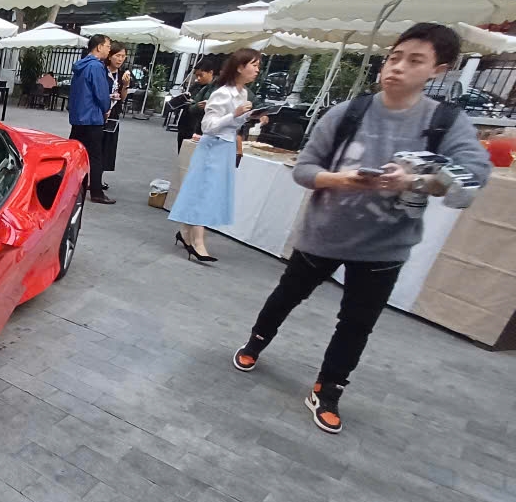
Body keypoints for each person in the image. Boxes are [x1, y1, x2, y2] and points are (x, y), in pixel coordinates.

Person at [232, 23, 492, 434]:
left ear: (438, 70)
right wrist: (343, 180)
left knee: (356, 323)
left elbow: (475, 173)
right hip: (324, 234)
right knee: (286, 296)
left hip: (385, 246)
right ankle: (256, 342)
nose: (398, 67)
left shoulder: (445, 121)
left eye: (415, 61)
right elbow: (304, 169)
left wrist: (415, 181)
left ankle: (329, 388)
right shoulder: (349, 113)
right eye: (394, 57)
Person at [167, 48, 261, 262]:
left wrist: (247, 116)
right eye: (254, 65)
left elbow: (234, 123)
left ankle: (185, 232)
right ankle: (197, 241)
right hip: (213, 146)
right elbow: (208, 126)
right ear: (240, 67)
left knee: (209, 192)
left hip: (226, 146)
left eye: (258, 66)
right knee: (204, 192)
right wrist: (234, 115)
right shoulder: (222, 93)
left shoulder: (243, 93)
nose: (257, 70)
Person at [69, 34, 114, 205]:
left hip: (78, 117)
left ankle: (67, 185)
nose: (109, 50)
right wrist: (106, 107)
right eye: (108, 46)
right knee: (95, 156)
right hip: (92, 117)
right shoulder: (96, 67)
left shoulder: (81, 65)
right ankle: (96, 191)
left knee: (75, 153)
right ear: (99, 47)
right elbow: (101, 93)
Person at [101, 44, 130, 190]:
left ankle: (98, 178)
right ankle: (89, 177)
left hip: (113, 114)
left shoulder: (123, 74)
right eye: (117, 55)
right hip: (100, 112)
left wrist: (125, 85)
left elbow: (123, 98)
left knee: (107, 146)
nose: (120, 59)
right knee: (95, 145)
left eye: (123, 56)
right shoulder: (101, 71)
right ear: (109, 55)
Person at [176, 57, 218, 153]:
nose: (198, 78)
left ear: (211, 72)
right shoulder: (195, 86)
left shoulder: (215, 89)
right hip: (185, 124)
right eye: (196, 75)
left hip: (199, 128)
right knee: (182, 153)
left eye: (201, 75)